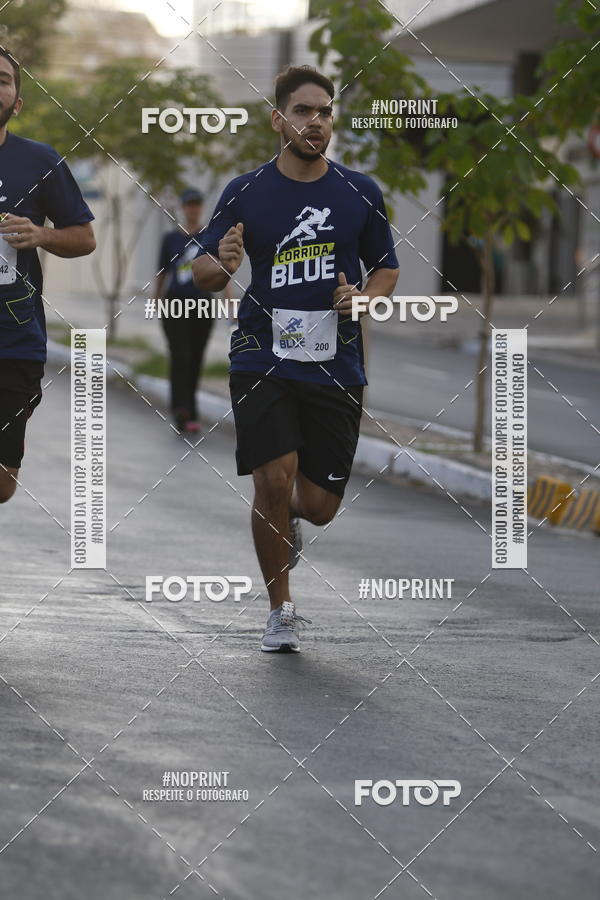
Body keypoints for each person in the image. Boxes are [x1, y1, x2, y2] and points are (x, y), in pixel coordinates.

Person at [193, 65, 399, 652]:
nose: (316, 121)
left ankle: (291, 527)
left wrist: (363, 298)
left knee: (317, 505)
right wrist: (224, 264)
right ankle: (280, 610)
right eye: (304, 111)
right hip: (262, 357)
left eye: (325, 112)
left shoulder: (360, 191)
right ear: (278, 118)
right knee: (273, 482)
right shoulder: (245, 190)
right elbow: (203, 271)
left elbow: (386, 268)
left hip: (337, 363)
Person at [0, 47, 96, 504]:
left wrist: (40, 235)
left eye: (2, 79)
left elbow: (84, 237)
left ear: (16, 101)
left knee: (2, 484)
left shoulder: (40, 162)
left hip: (13, 341)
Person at [156, 188, 215, 434]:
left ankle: (192, 410)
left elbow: (221, 273)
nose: (193, 209)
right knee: (180, 356)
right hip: (174, 304)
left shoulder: (210, 237)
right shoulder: (171, 239)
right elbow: (162, 273)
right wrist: (155, 302)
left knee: (196, 358)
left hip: (203, 305)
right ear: (183, 207)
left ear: (201, 207)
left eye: (197, 204)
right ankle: (181, 410)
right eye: (189, 204)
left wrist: (231, 304)